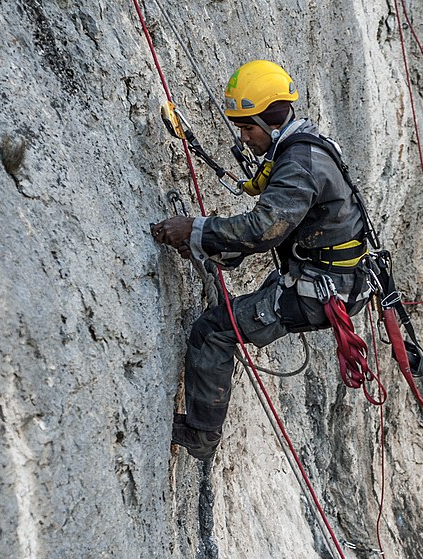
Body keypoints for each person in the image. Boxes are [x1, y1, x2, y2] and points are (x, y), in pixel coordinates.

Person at [151, 59, 374, 461]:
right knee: (233, 314)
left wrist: (195, 230)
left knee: (213, 331)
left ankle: (202, 435)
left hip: (319, 292)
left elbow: (264, 229)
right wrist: (212, 246)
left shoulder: (298, 164)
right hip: (325, 279)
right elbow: (279, 230)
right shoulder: (302, 146)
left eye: (247, 127)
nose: (244, 137)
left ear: (269, 123)